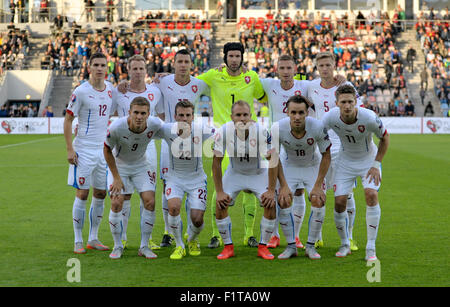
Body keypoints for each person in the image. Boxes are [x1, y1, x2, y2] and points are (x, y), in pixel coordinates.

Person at [196, 42, 266, 249]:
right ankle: (216, 235)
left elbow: (264, 96)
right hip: (223, 138)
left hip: (249, 138)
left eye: (237, 56)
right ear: (225, 57)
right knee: (220, 187)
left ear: (242, 58)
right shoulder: (213, 75)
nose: (234, 59)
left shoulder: (251, 77)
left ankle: (249, 234)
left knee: (250, 189)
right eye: (231, 56)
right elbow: (190, 84)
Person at [212, 100, 292, 260]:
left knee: (270, 204)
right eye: (238, 115)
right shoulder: (223, 131)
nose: (242, 119)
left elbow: (273, 160)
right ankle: (228, 247)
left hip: (258, 173)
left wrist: (271, 190)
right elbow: (216, 163)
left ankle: (263, 247)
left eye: (245, 115)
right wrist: (220, 191)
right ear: (231, 117)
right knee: (220, 204)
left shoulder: (261, 131)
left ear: (251, 116)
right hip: (235, 173)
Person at [322, 84, 389, 261]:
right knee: (339, 202)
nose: (347, 106)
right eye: (343, 102)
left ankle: (371, 247)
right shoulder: (330, 117)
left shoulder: (368, 117)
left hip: (368, 161)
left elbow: (385, 138)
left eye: (350, 102)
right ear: (336, 103)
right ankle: (344, 244)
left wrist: (376, 164)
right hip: (345, 162)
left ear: (356, 102)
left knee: (371, 195)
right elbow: (317, 133)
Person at [306, 51, 363, 251]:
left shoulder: (346, 87)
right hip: (320, 149)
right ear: (316, 67)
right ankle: (317, 237)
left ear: (334, 65)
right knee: (318, 193)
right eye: (321, 65)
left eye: (328, 65)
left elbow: (360, 110)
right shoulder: (311, 87)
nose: (324, 68)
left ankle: (350, 237)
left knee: (347, 195)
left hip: (344, 148)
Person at [64, 52, 117, 254]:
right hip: (84, 150)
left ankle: (93, 238)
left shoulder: (110, 89)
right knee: (83, 192)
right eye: (96, 64)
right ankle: (78, 240)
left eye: (103, 65)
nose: (99, 68)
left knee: (101, 193)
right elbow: (68, 120)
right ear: (89, 67)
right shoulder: (81, 92)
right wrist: (70, 149)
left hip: (103, 150)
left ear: (107, 68)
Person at [271, 95, 331, 259]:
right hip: (289, 166)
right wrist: (283, 184)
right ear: (287, 112)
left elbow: (326, 155)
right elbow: (274, 157)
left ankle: (311, 247)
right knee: (283, 200)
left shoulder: (317, 127)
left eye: (301, 113)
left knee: (318, 200)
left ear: (307, 113)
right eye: (293, 113)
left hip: (312, 166)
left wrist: (318, 184)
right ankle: (291, 247)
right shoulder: (277, 128)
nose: (297, 117)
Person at [113, 55, 163, 250]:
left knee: (147, 194)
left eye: (141, 68)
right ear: (128, 70)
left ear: (146, 70)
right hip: (123, 149)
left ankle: (146, 239)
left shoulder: (154, 92)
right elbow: (108, 115)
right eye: (134, 68)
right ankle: (123, 238)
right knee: (124, 195)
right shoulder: (119, 92)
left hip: (148, 147)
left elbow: (161, 116)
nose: (137, 72)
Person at [153, 100, 215, 259]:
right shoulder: (167, 129)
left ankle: (192, 239)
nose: (184, 118)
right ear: (175, 116)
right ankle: (179, 245)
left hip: (197, 180)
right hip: (174, 179)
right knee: (173, 207)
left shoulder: (201, 130)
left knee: (197, 219)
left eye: (188, 115)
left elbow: (221, 133)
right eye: (181, 115)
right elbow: (147, 131)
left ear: (193, 117)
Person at [104, 97, 163, 259]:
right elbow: (107, 150)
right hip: (119, 167)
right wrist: (116, 177)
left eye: (143, 113)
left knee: (150, 202)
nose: (139, 116)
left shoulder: (155, 124)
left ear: (148, 114)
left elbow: (169, 132)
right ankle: (117, 246)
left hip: (141, 166)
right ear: (129, 112)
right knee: (116, 203)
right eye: (135, 112)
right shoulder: (117, 127)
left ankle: (144, 246)